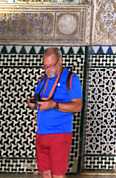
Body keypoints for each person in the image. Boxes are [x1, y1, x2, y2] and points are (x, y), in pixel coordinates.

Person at [26, 48, 83, 178]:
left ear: (60, 61)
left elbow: (77, 107)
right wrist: (33, 105)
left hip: (60, 135)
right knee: (45, 173)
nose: (48, 69)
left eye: (51, 65)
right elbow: (39, 102)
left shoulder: (70, 78)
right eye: (45, 66)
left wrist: (54, 105)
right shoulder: (43, 79)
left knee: (57, 175)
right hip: (41, 134)